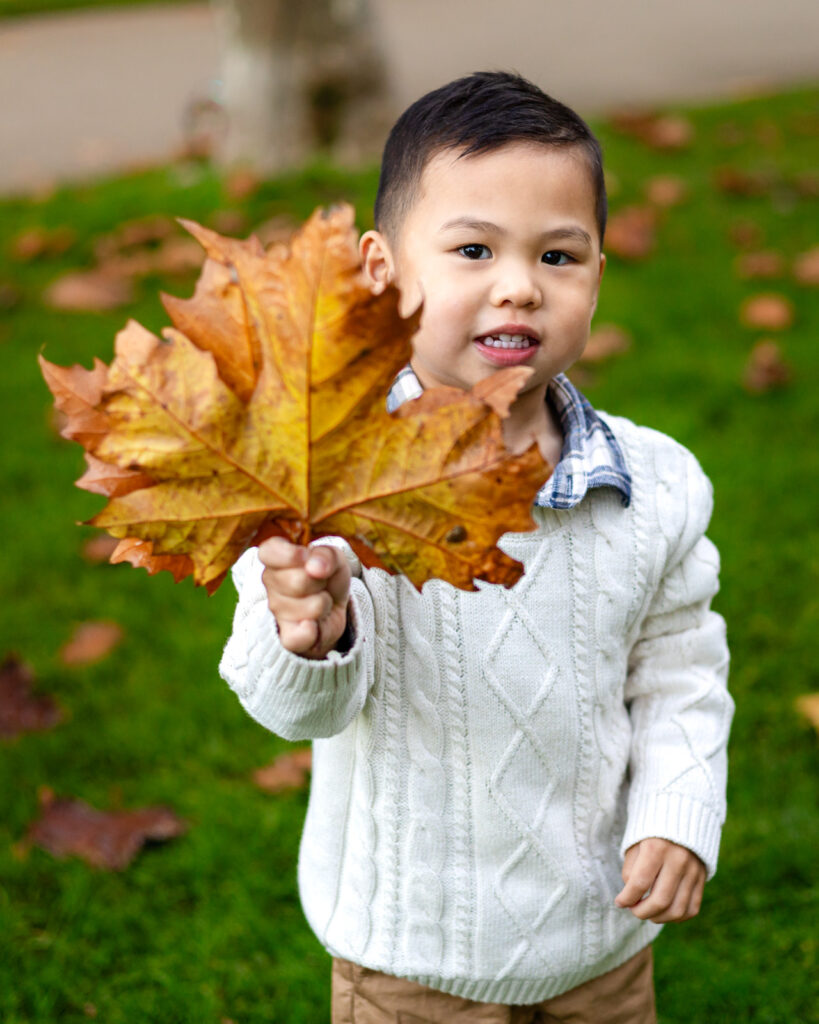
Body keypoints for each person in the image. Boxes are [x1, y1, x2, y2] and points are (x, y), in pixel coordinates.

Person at [219, 71, 733, 1023]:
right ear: (381, 272)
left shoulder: (655, 486)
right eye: (471, 249)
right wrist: (310, 635)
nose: (518, 286)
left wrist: (678, 808)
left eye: (557, 256)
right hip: (409, 950)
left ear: (596, 277)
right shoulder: (322, 479)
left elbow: (680, 669)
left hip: (599, 937)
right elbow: (292, 714)